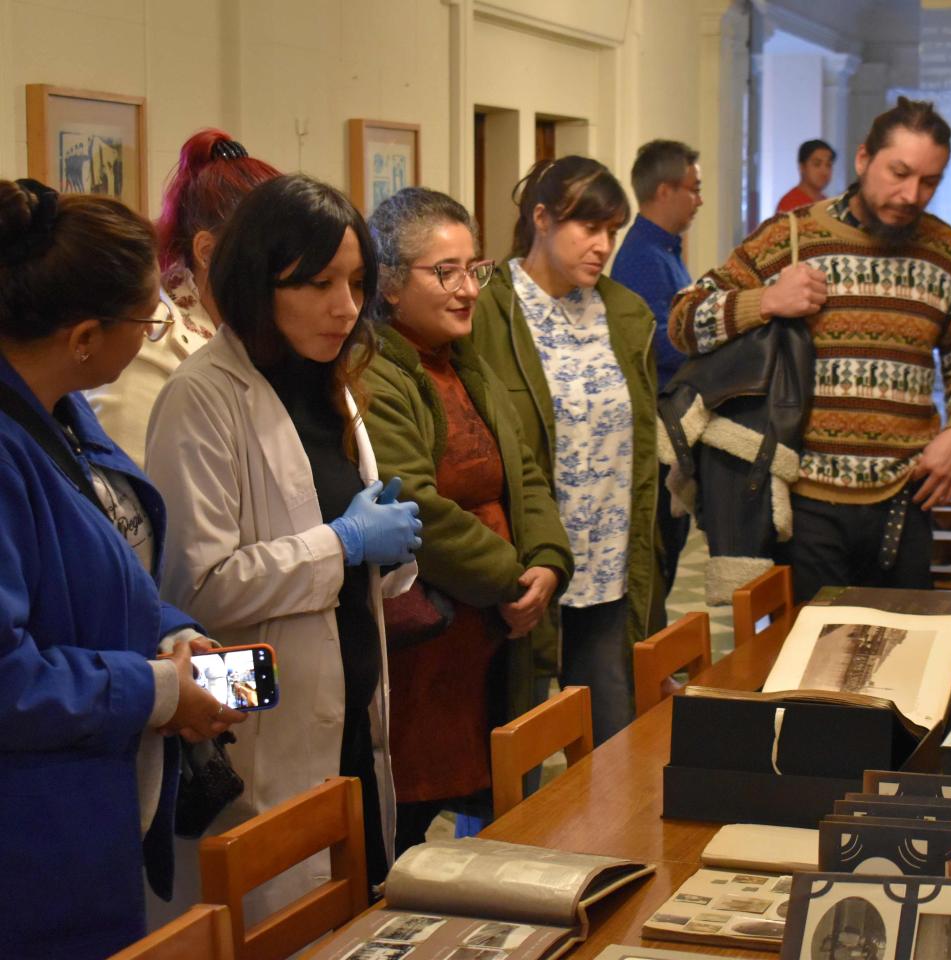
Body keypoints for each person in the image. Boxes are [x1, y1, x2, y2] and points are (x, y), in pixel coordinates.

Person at [146, 174, 422, 916]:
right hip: (264, 726)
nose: (346, 306)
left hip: (353, 722)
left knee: (356, 912)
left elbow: (355, 574)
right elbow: (195, 588)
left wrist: (387, 558)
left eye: (358, 282)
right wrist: (343, 544)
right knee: (285, 921)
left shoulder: (328, 382)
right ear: (260, 280)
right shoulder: (200, 397)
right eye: (317, 283)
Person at [0, 177, 244, 958]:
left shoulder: (63, 412)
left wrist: (175, 635)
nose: (159, 331)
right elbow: (9, 682)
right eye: (147, 318)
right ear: (81, 337)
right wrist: (161, 691)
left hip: (100, 797)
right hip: (33, 839)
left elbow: (114, 555)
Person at [669, 97, 951, 603]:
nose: (911, 194)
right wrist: (767, 301)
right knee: (810, 667)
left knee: (907, 664)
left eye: (929, 181)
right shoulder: (792, 237)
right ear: (864, 158)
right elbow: (684, 321)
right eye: (899, 172)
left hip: (905, 500)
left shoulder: (948, 253)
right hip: (806, 507)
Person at [362, 187, 573, 852]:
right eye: (444, 272)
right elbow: (416, 505)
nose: (468, 290)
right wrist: (513, 581)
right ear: (390, 284)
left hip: (494, 635)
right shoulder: (374, 372)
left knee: (504, 817)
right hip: (433, 647)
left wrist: (546, 561)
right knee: (410, 837)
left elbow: (525, 471)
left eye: (474, 269)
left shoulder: (465, 359)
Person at [471, 156, 663, 743]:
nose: (603, 245)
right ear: (542, 219)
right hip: (528, 572)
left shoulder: (624, 313)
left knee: (614, 747)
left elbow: (641, 449)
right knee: (511, 754)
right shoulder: (489, 309)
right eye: (589, 228)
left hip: (607, 565)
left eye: (612, 231)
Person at [87, 129, 280, 465]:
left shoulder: (264, 332)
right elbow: (128, 498)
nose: (290, 275)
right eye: (273, 256)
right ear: (207, 251)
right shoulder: (149, 346)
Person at [611, 139, 701, 593]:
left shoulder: (666, 250)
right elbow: (656, 343)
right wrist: (712, 341)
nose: (699, 200)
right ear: (665, 190)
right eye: (693, 188)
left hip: (674, 420)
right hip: (656, 420)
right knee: (659, 556)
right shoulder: (643, 257)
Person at [776, 138, 836, 213]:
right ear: (802, 167)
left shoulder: (829, 205)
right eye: (817, 164)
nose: (824, 171)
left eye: (828, 165)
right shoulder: (789, 204)